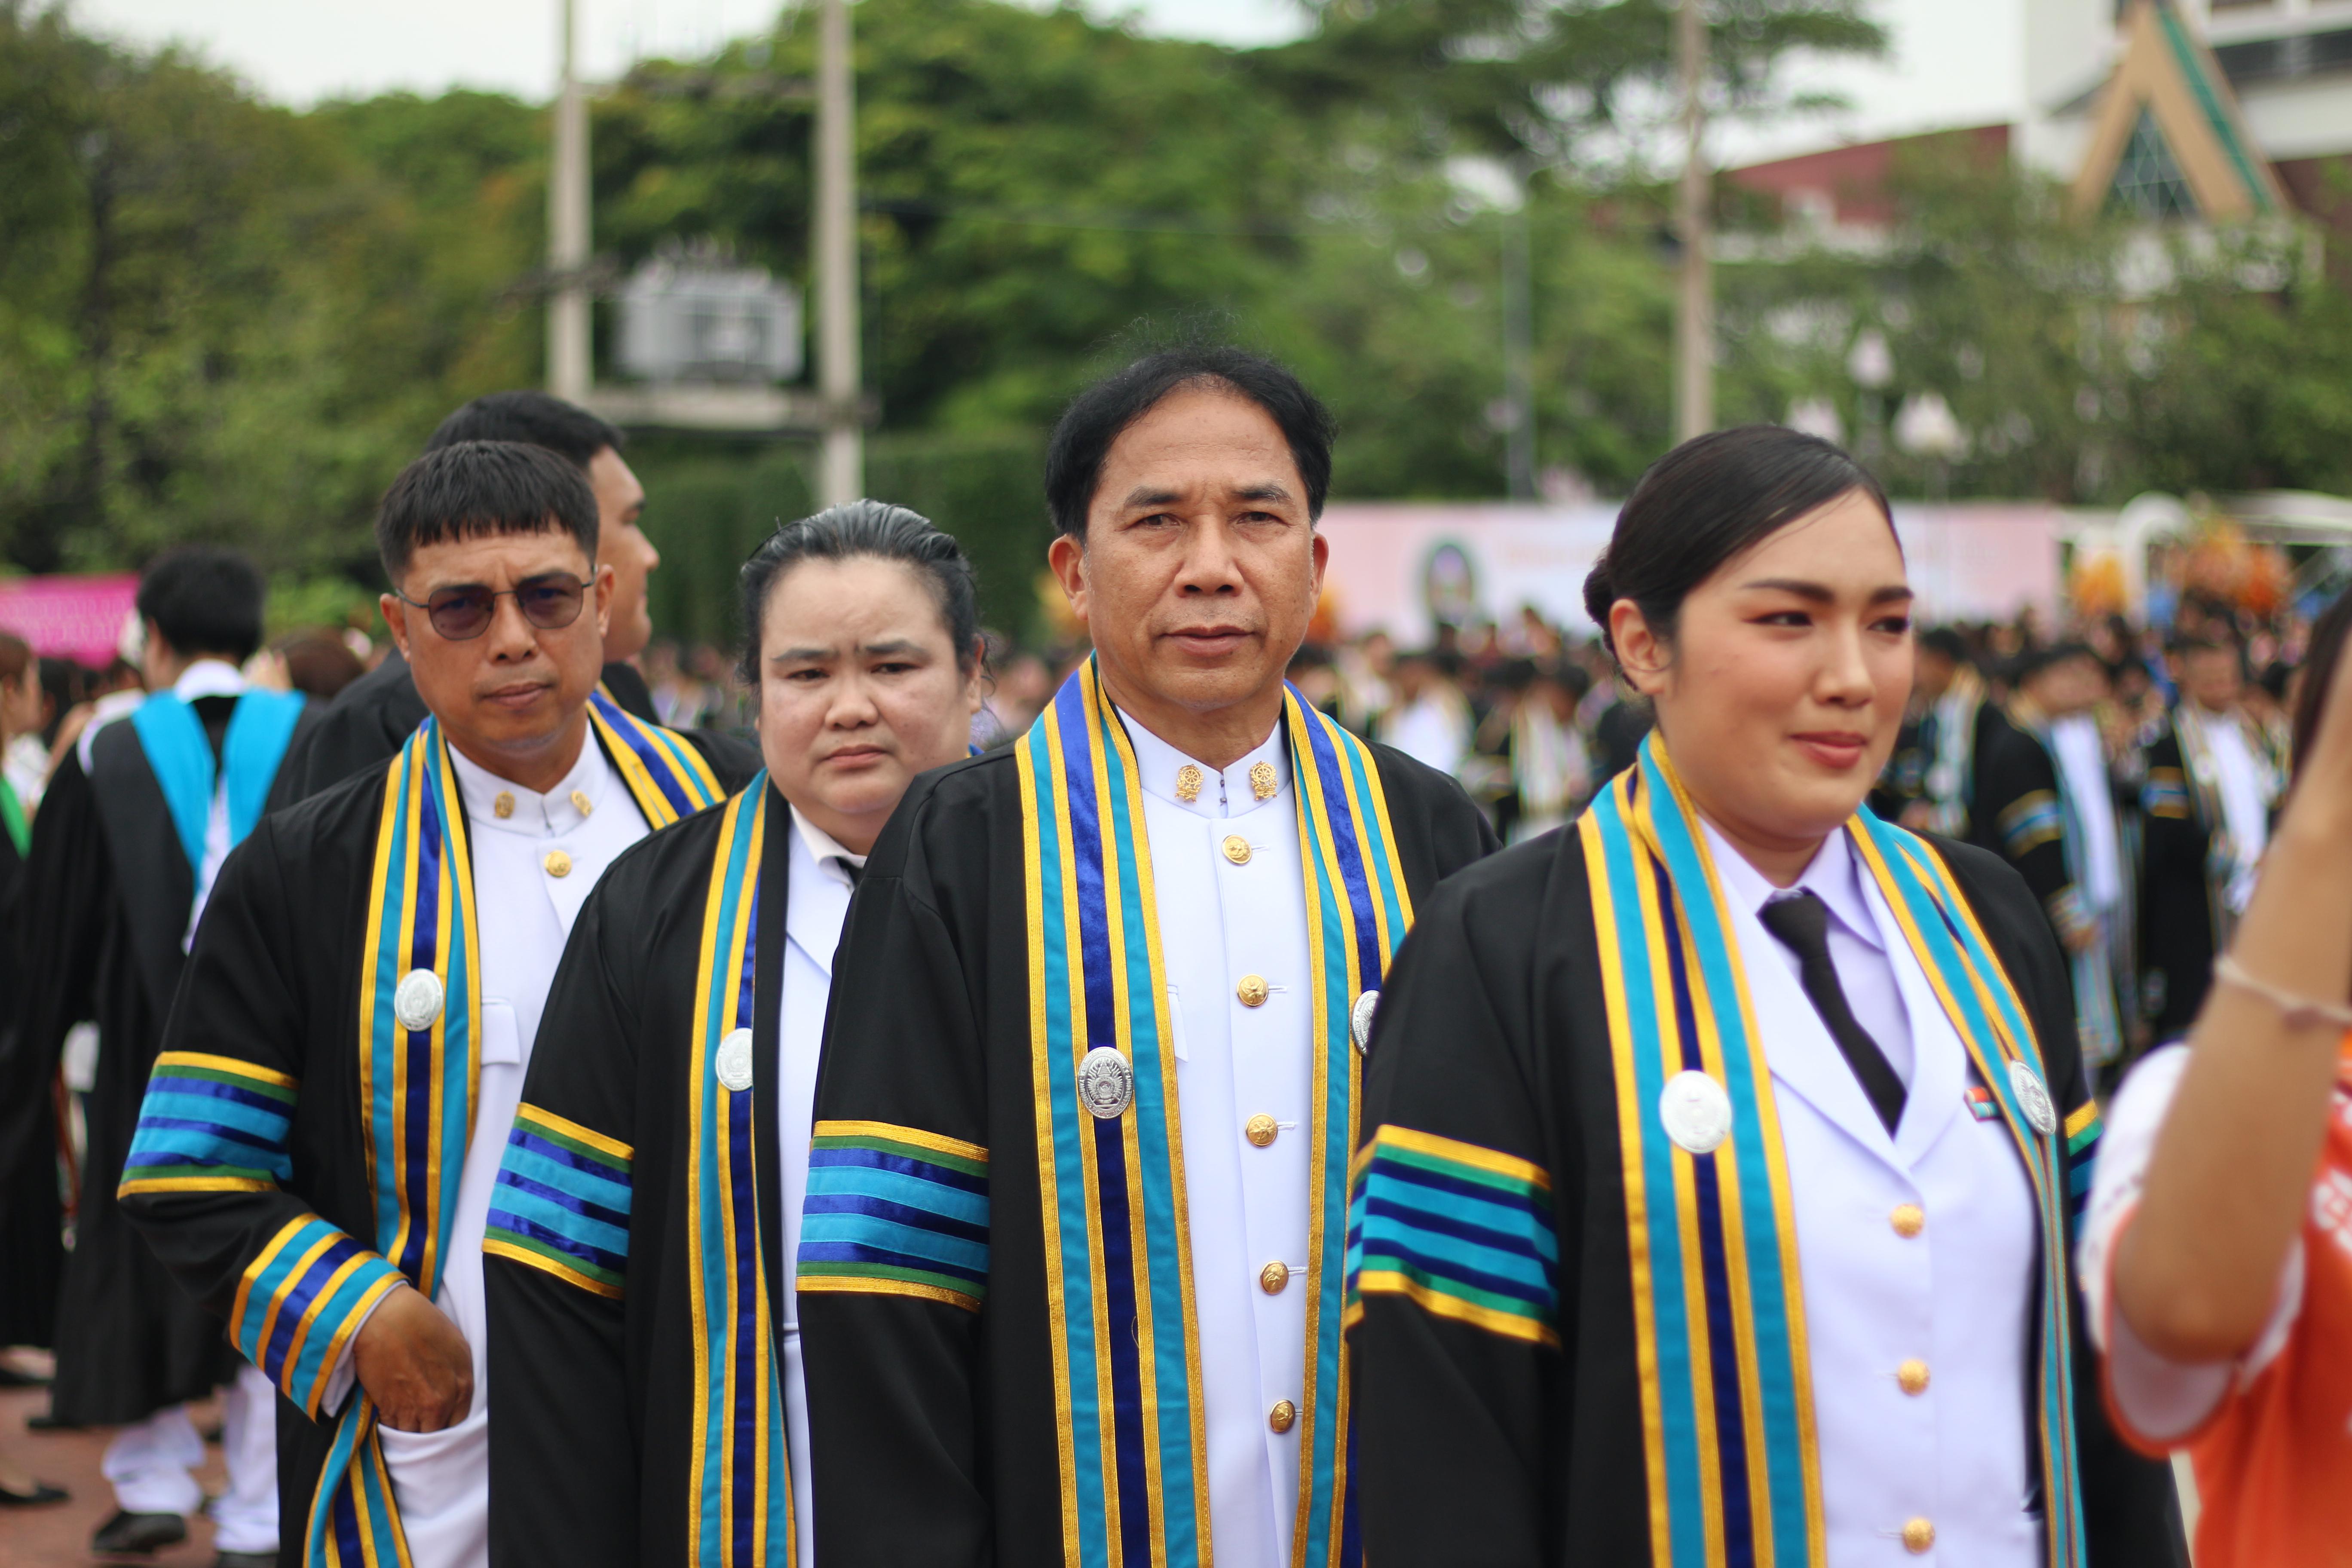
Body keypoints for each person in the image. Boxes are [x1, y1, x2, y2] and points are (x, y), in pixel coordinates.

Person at [1346, 426, 2182, 1565]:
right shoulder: (1506, 950)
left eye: (1888, 625)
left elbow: (2097, 1368)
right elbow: (1446, 1439)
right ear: (1642, 644)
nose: (1853, 676)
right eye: (1789, 620)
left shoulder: (1982, 921)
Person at [796, 345, 1496, 1565]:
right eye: (1159, 522)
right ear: (1075, 571)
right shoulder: (966, 847)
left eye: (1258, 520)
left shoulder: (1428, 832)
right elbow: (884, 1271)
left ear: (1315, 564)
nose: (1212, 568)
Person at [117, 442, 751, 1568]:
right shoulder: (312, 870)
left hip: (719, 1410)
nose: (512, 638)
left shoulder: (735, 819)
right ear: (401, 632)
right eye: (461, 608)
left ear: (601, 601)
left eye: (547, 596)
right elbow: (188, 1171)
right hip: (442, 1447)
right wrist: (357, 1316)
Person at [482, 502, 988, 1566]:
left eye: (892, 666)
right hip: (747, 1473)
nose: (850, 707)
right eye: (805, 675)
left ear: (972, 673)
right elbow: (556, 1270)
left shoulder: (1071, 899)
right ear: (751, 696)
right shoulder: (652, 915)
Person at [6, 549, 305, 1564]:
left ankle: (153, 1481)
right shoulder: (312, 736)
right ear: (255, 635)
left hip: (146, 1054)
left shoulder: (106, 752)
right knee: (281, 1255)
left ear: (157, 641)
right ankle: (262, 1510)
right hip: (288, 1052)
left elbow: (57, 929)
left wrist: (37, 1046)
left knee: (138, 1246)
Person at [2081, 586, 2352, 1567]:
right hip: (2233, 964)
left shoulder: (2245, 745)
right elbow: (2186, 1310)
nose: (2212, 676)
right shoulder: (2184, 1105)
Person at [268, 390, 750, 805]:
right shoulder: (373, 726)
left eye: (544, 594)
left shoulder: (626, 700)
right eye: (627, 521)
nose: (650, 555)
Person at [1976, 645, 2134, 1072]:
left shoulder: (2044, 736)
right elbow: (2034, 838)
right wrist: (2066, 906)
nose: (2079, 689)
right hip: (2030, 908)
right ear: (2035, 683)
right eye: (2066, 678)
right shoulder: (2019, 745)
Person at [2138, 632, 2282, 1041]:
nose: (2221, 688)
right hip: (2199, 899)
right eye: (2210, 680)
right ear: (2188, 681)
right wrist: (2242, 859)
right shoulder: (2168, 743)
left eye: (2228, 678)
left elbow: (2274, 799)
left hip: (2258, 891)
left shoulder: (2254, 735)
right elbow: (2168, 830)